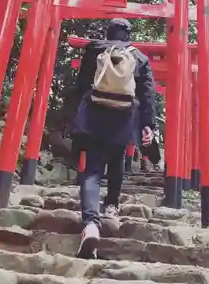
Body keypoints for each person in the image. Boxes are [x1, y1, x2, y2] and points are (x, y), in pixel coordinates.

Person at [69, 18, 156, 259]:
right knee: (117, 160)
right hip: (124, 118)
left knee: (93, 171)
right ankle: (111, 206)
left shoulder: (95, 49)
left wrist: (75, 116)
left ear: (108, 32)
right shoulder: (139, 57)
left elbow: (82, 84)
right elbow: (147, 93)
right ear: (129, 34)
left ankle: (90, 224)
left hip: (95, 116)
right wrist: (148, 124)